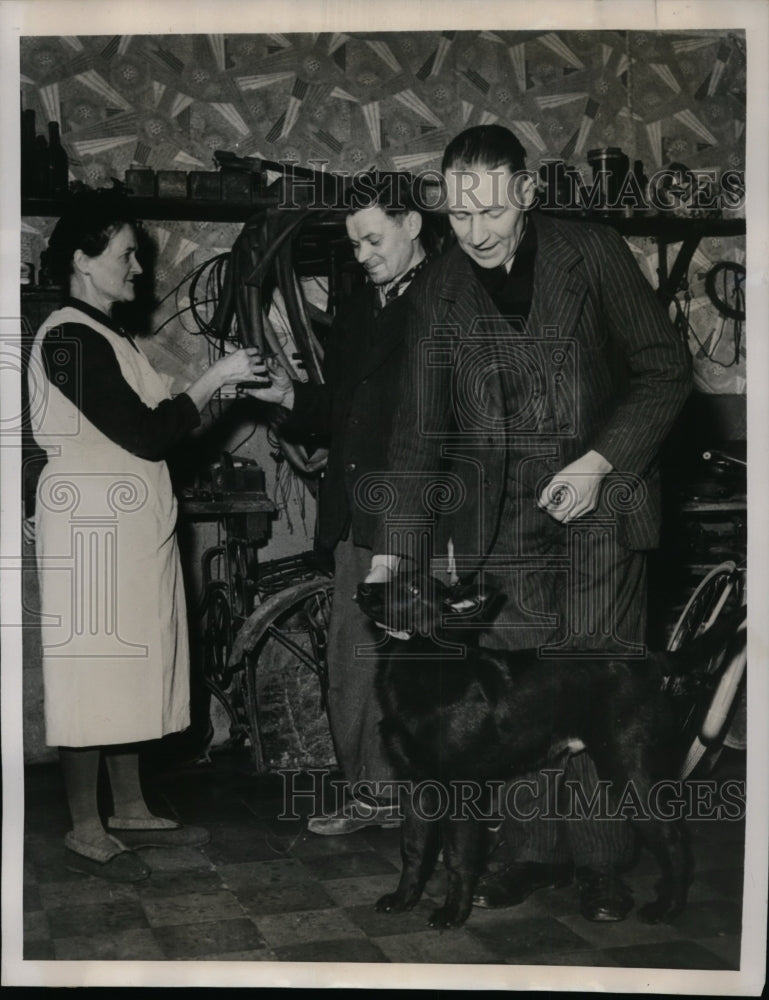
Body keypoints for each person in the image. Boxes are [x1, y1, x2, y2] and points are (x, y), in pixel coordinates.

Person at [367, 125, 692, 920]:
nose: (473, 233)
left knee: (590, 686)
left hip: (601, 513)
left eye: (490, 212)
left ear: (528, 192)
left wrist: (599, 463)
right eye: (457, 215)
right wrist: (393, 558)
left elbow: (664, 370)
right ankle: (530, 857)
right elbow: (415, 437)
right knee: (511, 711)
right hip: (495, 530)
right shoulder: (438, 291)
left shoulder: (594, 252)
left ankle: (601, 867)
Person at [28, 192, 265, 882]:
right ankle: (82, 823)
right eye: (126, 254)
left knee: (128, 669)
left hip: (127, 527)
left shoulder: (105, 335)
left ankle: (127, 803)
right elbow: (148, 431)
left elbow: (155, 423)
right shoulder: (68, 337)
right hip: (95, 531)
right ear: (82, 260)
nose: (137, 269)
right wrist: (216, 376)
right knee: (91, 674)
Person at [246, 174, 431, 835]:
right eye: (353, 245)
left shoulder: (450, 299)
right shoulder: (361, 304)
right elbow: (340, 410)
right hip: (358, 512)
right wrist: (288, 397)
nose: (361, 256)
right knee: (354, 660)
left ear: (411, 224)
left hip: (421, 515)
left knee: (425, 667)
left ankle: (432, 805)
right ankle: (374, 797)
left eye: (372, 239)